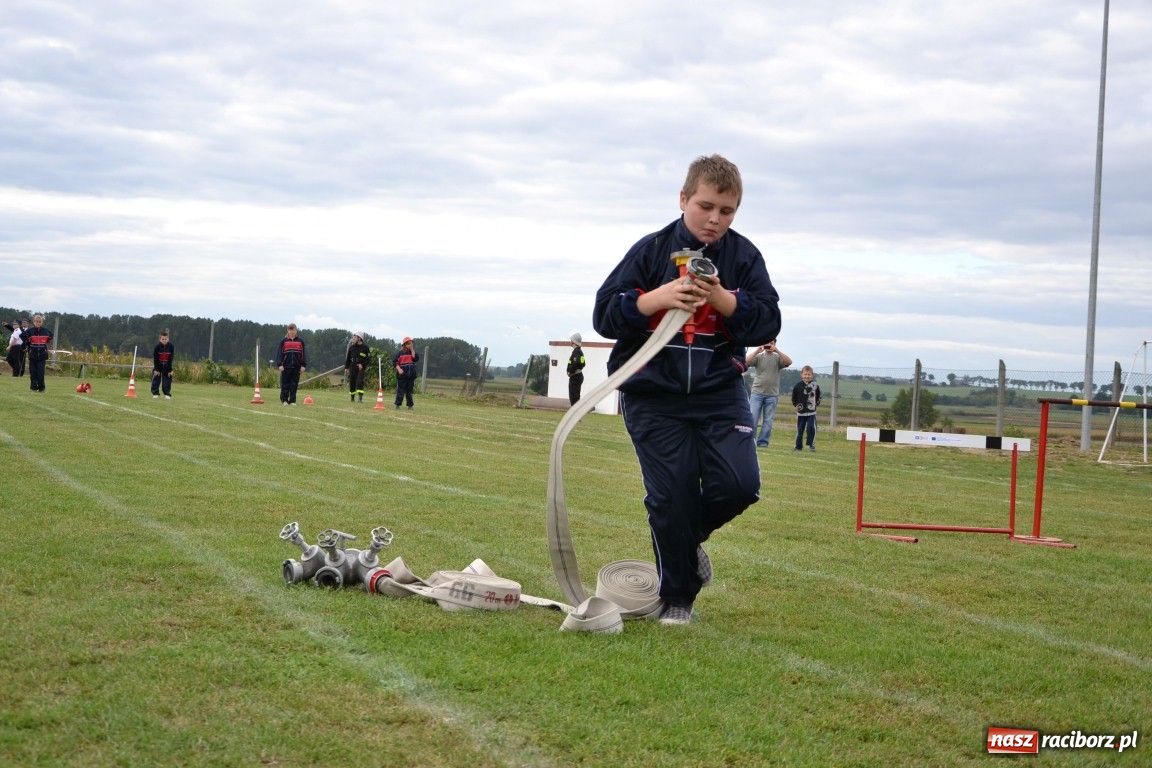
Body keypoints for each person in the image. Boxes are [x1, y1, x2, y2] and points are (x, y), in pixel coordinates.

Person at [593, 154, 781, 626]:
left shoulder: (744, 257)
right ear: (683, 199)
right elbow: (604, 314)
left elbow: (768, 320)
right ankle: (677, 598)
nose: (715, 218)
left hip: (720, 392)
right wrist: (655, 299)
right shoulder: (651, 250)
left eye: (727, 210)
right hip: (652, 394)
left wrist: (723, 299)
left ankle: (682, 540)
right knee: (671, 495)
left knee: (740, 485)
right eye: (706, 206)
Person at [745, 339, 793, 447]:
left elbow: (789, 362)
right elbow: (746, 362)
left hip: (772, 395)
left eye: (772, 343)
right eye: (767, 342)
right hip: (757, 393)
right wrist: (757, 350)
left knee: (768, 421)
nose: (769, 345)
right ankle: (751, 441)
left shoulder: (778, 358)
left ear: (775, 344)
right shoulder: (759, 356)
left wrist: (777, 351)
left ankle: (763, 442)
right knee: (753, 419)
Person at [791, 365, 822, 452]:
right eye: (805, 374)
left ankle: (811, 445)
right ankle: (798, 447)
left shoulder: (815, 386)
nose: (807, 376)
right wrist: (796, 405)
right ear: (801, 375)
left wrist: (815, 404)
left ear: (812, 375)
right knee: (800, 430)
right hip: (801, 413)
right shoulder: (797, 386)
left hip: (811, 412)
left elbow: (819, 396)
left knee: (811, 428)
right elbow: (794, 397)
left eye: (809, 374)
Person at [275, 323, 307, 405]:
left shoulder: (301, 342)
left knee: (294, 385)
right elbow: (279, 354)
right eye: (290, 330)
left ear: (296, 331)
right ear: (288, 331)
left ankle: (292, 401)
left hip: (297, 367)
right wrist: (280, 364)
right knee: (285, 384)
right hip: (285, 367)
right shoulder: (283, 342)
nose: (292, 332)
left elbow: (303, 354)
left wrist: (303, 365)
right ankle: (284, 400)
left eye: (293, 330)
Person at [24, 314, 53, 393]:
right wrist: (27, 345)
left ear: (42, 322)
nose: (38, 323)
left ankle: (41, 389)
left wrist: (47, 343)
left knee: (40, 373)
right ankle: (33, 388)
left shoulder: (45, 331)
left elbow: (50, 336)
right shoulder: (30, 331)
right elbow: (23, 337)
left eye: (40, 322)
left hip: (42, 355)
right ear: (34, 322)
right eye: (36, 321)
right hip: (32, 355)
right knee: (33, 373)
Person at [393, 336, 419, 409]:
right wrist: (399, 369)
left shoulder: (413, 353)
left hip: (411, 376)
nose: (410, 345)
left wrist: (412, 350)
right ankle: (398, 405)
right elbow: (395, 362)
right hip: (402, 376)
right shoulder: (400, 353)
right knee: (400, 391)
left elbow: (415, 359)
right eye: (408, 343)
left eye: (411, 343)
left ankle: (410, 406)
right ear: (404, 345)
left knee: (409, 392)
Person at [345, 332, 370, 402]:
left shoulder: (365, 348)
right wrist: (346, 368)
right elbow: (348, 359)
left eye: (355, 337)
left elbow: (368, 359)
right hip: (352, 366)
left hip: (361, 368)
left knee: (359, 382)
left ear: (359, 338)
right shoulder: (351, 347)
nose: (353, 338)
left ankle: (360, 398)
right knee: (352, 382)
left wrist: (362, 365)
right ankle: (352, 398)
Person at [151, 330, 175, 399]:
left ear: (168, 339)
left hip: (167, 366)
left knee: (167, 381)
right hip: (158, 365)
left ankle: (167, 394)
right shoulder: (157, 347)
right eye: (163, 339)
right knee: (156, 380)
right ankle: (155, 393)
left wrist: (170, 370)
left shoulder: (171, 346)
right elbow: (155, 359)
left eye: (165, 339)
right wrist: (156, 369)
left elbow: (171, 358)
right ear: (160, 339)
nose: (164, 340)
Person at [566, 332, 586, 405]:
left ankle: (575, 411)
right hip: (578, 376)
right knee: (576, 397)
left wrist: (570, 372)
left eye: (571, 340)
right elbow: (583, 364)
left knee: (574, 398)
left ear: (574, 342)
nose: (570, 342)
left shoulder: (576, 352)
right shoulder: (580, 352)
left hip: (575, 377)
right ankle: (576, 410)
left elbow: (576, 363)